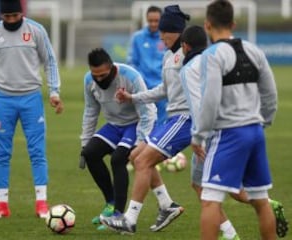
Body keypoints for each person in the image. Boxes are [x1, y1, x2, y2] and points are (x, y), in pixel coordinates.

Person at [181, 24, 288, 240]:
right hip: (253, 131)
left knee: (208, 195)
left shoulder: (197, 65)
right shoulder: (249, 51)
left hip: (220, 134)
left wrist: (199, 135)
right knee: (253, 194)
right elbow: (270, 95)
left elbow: (203, 103)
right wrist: (263, 123)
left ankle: (230, 235)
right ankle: (263, 208)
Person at [101, 5, 191, 234]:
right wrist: (133, 97)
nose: (160, 36)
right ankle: (166, 205)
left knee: (142, 161)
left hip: (185, 119)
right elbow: (163, 89)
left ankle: (129, 220)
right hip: (174, 117)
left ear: (177, 31)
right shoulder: (169, 56)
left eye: (164, 32)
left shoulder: (190, 55)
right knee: (136, 155)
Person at [0, 0, 63, 219]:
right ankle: (2, 205)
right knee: (2, 153)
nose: (12, 20)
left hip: (31, 99)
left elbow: (50, 61)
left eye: (15, 15)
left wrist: (54, 91)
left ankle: (41, 203)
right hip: (4, 100)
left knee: (37, 152)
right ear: (0, 16)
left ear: (21, 13)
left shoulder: (36, 30)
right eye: (7, 17)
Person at [80, 48, 156, 230]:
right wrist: (85, 142)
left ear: (112, 68)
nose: (99, 79)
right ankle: (110, 203)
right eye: (95, 75)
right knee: (90, 153)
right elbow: (91, 111)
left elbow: (147, 112)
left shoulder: (131, 77)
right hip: (114, 126)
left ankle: (119, 215)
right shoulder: (88, 80)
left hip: (135, 124)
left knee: (117, 159)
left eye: (103, 75)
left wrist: (139, 143)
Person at [127, 5, 167, 126]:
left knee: (161, 124)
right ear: (146, 20)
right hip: (143, 87)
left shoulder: (166, 37)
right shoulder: (137, 37)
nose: (153, 24)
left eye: (157, 21)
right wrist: (140, 82)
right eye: (150, 21)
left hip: (162, 88)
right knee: (144, 123)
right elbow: (132, 62)